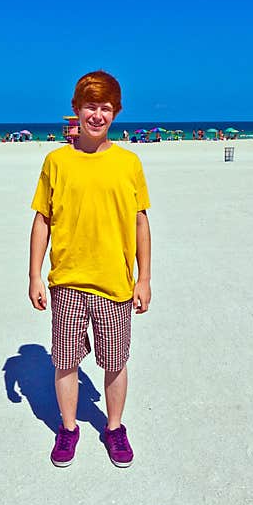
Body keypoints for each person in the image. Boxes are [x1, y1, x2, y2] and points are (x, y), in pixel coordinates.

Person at [28, 70, 152, 469]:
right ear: (75, 110)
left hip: (115, 283)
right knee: (65, 360)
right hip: (67, 281)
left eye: (105, 108)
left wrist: (144, 278)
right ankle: (68, 428)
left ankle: (114, 428)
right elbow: (42, 220)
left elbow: (140, 222)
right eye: (90, 107)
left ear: (115, 112)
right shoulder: (56, 161)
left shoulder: (128, 162)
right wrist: (34, 275)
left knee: (115, 362)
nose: (97, 115)